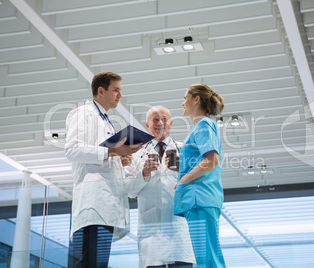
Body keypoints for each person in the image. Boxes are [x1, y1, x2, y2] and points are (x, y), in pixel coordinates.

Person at [65, 71, 141, 268]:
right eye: (116, 90)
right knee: (89, 263)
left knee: (98, 264)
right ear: (101, 90)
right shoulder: (83, 113)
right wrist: (113, 152)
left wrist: (120, 158)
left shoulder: (106, 121)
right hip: (93, 206)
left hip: (105, 207)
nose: (120, 95)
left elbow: (105, 154)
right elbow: (73, 150)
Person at [125, 105, 196, 268]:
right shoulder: (136, 154)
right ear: (147, 125)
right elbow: (129, 191)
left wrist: (181, 169)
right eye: (155, 120)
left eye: (164, 119)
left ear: (170, 123)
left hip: (179, 229)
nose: (160, 123)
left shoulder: (185, 150)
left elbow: (198, 186)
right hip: (151, 233)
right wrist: (143, 173)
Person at [173, 83, 226, 267]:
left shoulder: (203, 124)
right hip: (199, 199)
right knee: (206, 255)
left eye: (185, 98)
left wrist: (183, 180)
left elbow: (212, 159)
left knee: (207, 258)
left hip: (199, 198)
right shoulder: (201, 127)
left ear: (196, 100)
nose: (183, 103)